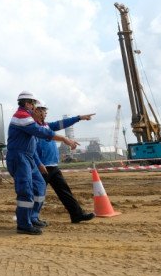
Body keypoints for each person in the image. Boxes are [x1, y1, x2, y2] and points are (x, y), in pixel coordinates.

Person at [7, 90, 78, 235]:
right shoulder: (21, 116)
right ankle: (23, 224)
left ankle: (32, 217)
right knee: (26, 191)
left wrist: (38, 163)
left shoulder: (27, 117)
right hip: (19, 158)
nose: (35, 106)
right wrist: (64, 139)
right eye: (33, 103)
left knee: (39, 186)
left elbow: (33, 141)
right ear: (27, 104)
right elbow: (41, 132)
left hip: (29, 158)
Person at [33, 101, 96, 224]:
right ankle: (31, 218)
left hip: (53, 166)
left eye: (45, 111)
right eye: (43, 111)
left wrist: (79, 118)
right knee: (37, 194)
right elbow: (32, 149)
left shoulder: (47, 126)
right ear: (37, 111)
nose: (45, 113)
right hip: (41, 167)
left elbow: (61, 123)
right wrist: (38, 164)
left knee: (65, 192)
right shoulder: (33, 128)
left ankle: (77, 215)